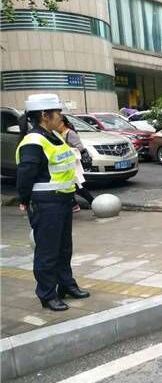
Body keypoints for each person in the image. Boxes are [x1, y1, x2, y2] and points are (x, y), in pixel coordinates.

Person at [16, 94, 91, 311]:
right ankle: (47, 294)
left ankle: (66, 285)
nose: (61, 116)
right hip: (45, 203)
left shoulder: (54, 136)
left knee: (63, 248)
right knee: (48, 252)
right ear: (44, 115)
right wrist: (24, 200)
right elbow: (25, 175)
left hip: (62, 200)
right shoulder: (33, 142)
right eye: (57, 112)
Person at [57, 115, 94, 211]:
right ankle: (74, 204)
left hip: (73, 165)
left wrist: (68, 150)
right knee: (70, 185)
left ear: (62, 123)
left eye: (58, 122)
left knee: (77, 186)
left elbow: (80, 148)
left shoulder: (70, 133)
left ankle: (93, 202)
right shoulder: (59, 133)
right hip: (65, 164)